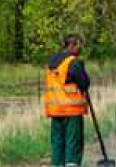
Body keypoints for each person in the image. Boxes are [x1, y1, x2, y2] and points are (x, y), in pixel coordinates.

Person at [43, 35, 90, 167]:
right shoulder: (72, 62)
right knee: (73, 144)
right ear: (72, 46)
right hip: (71, 110)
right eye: (79, 45)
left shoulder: (52, 61)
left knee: (57, 143)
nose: (80, 48)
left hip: (55, 110)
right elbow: (84, 83)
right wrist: (82, 69)